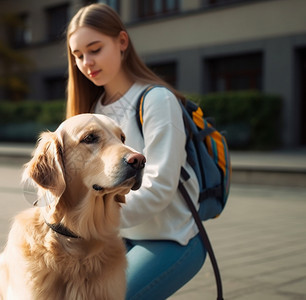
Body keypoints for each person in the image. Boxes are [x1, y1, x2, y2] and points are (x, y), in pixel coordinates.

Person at [66, 4, 206, 299]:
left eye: (95, 49)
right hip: (116, 237)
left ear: (122, 42)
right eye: (78, 56)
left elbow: (159, 186)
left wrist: (94, 222)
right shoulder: (93, 110)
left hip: (170, 238)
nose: (86, 62)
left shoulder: (156, 100)